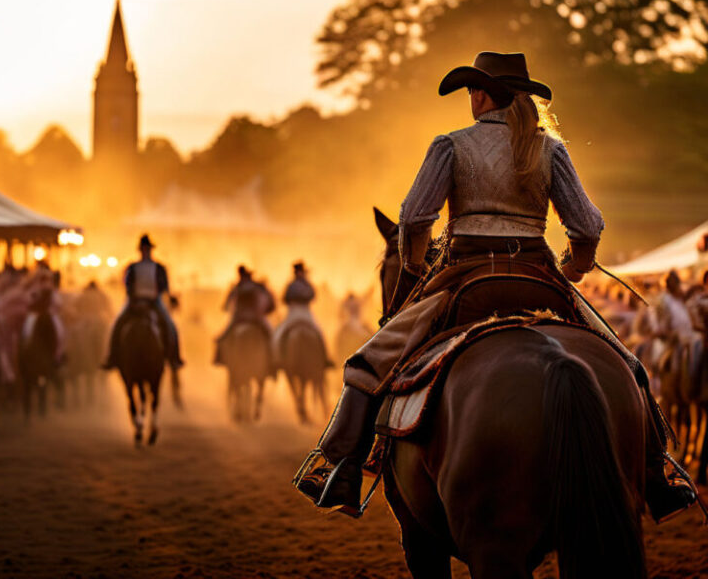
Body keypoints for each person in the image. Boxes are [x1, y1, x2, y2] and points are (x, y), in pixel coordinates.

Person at [294, 50, 696, 522]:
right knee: (627, 366)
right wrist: (575, 266)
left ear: (482, 95)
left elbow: (414, 217)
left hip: (463, 278)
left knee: (367, 363)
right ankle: (658, 473)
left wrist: (418, 264)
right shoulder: (550, 149)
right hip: (539, 280)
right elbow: (586, 226)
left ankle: (338, 468)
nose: (470, 98)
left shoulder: (450, 145)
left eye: (472, 90)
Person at [102, 235, 184, 370]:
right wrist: (133, 298)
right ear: (140, 250)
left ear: (151, 250)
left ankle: (174, 358)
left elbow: (164, 286)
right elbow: (126, 284)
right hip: (134, 302)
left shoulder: (159, 267)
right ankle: (112, 357)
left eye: (147, 249)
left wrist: (160, 295)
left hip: (154, 301)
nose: (145, 251)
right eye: (143, 249)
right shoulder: (132, 267)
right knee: (117, 323)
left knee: (170, 325)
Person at [214, 265, 274, 365]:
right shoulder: (257, 286)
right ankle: (273, 361)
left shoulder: (237, 287)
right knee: (271, 336)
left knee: (223, 337)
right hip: (256, 318)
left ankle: (219, 359)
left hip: (239, 318)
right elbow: (269, 302)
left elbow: (226, 305)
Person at [272, 262, 330, 366]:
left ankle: (325, 358)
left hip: (303, 312)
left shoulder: (295, 285)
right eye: (299, 272)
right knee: (279, 333)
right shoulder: (297, 285)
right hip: (296, 312)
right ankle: (277, 358)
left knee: (319, 331)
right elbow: (310, 296)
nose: (300, 274)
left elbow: (311, 295)